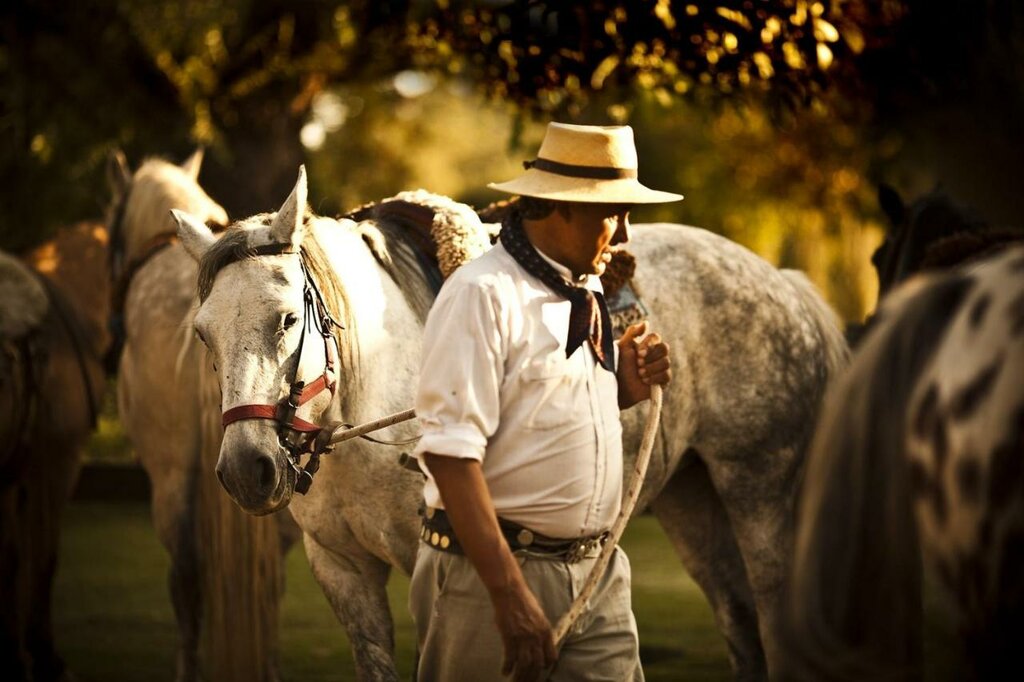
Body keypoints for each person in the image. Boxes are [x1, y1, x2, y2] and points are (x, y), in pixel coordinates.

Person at [410, 122, 681, 682]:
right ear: (562, 208)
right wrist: (508, 594)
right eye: (615, 214)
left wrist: (625, 387)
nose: (626, 235)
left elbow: (544, 411)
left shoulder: (588, 289)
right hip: (489, 580)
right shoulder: (482, 295)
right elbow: (450, 455)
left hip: (598, 574)